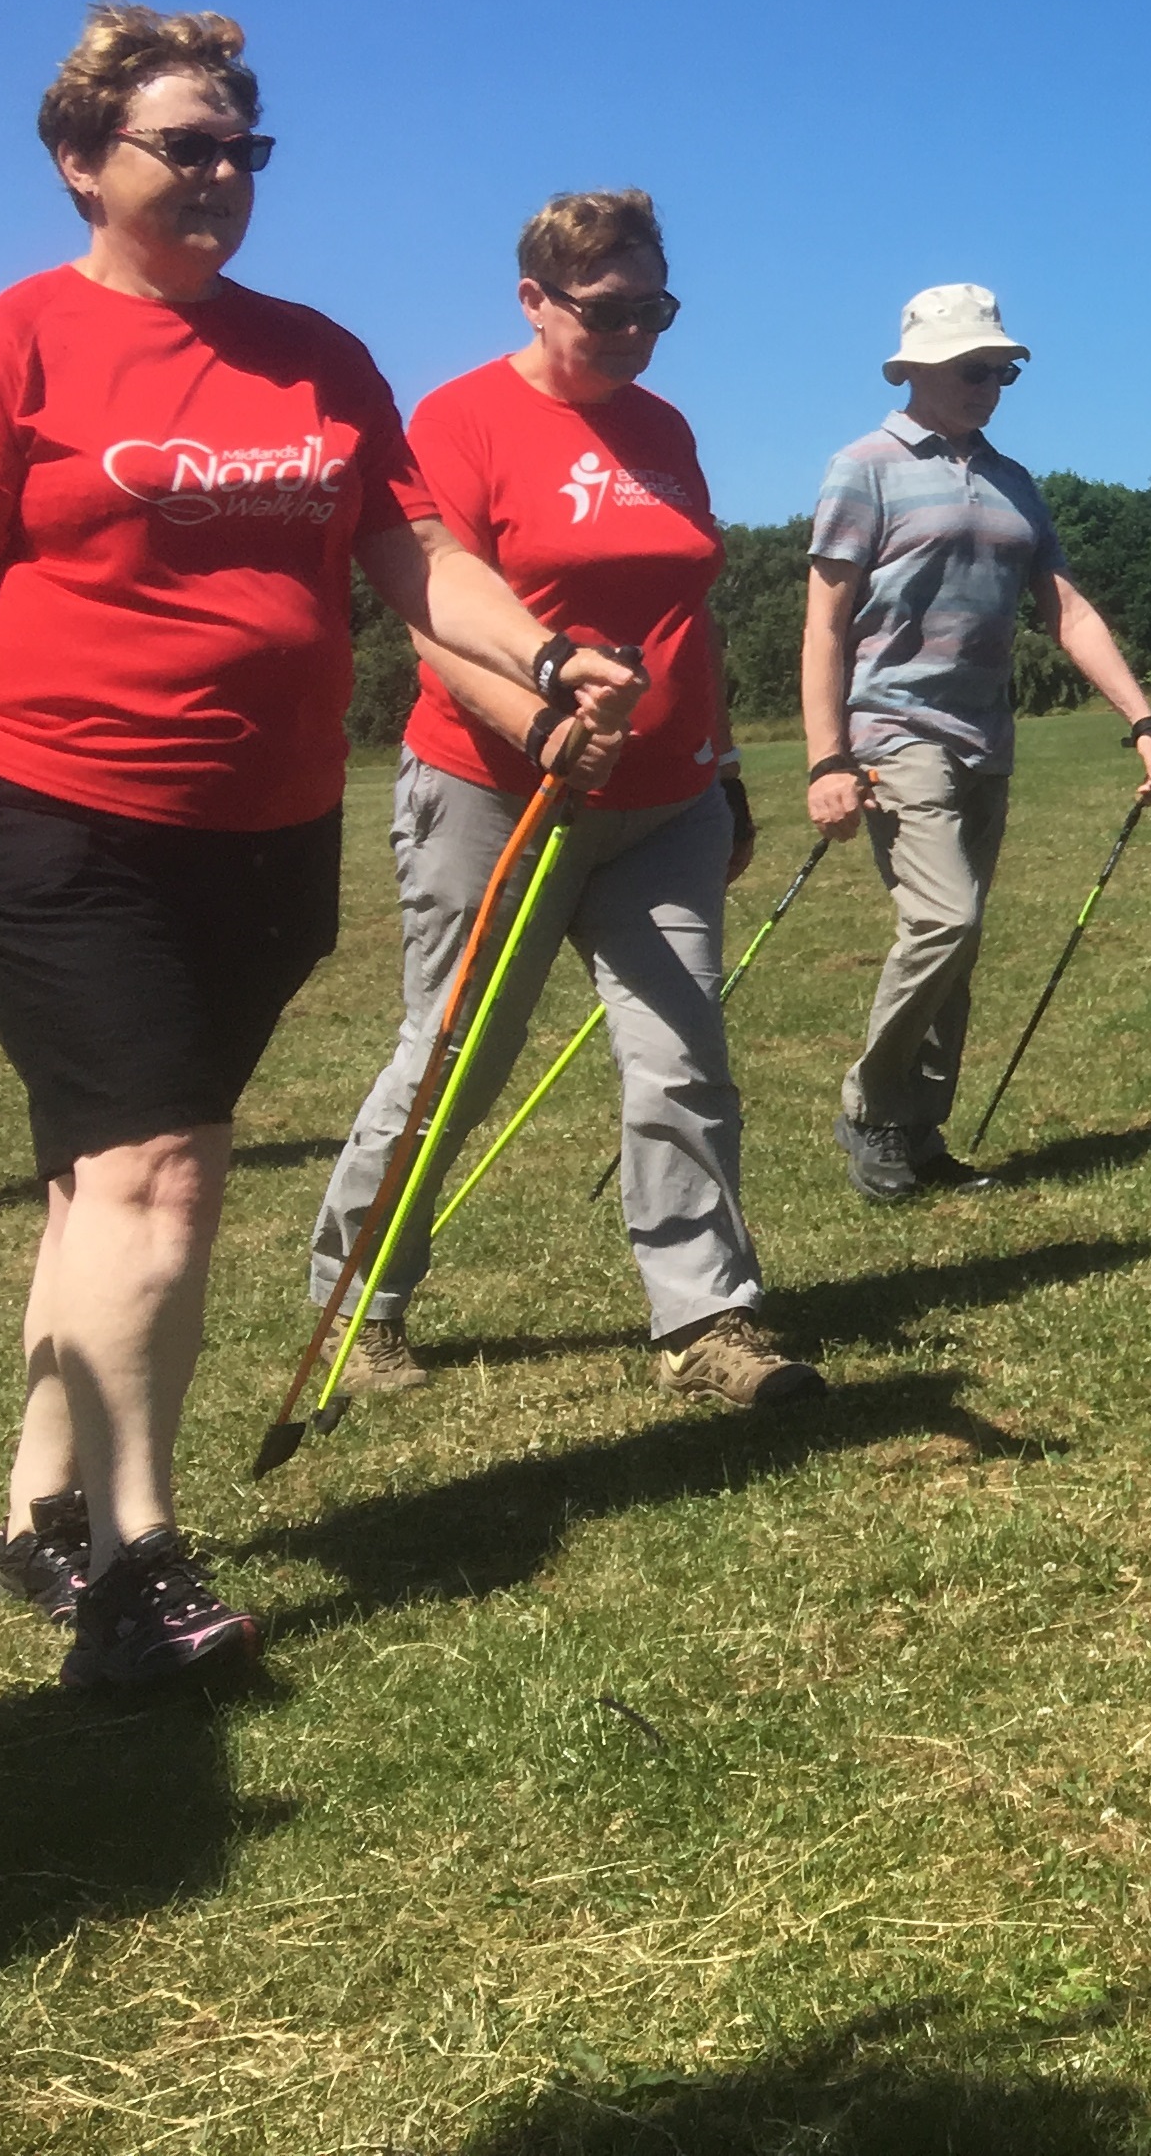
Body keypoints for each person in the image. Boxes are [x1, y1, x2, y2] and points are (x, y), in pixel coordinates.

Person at [0, 1, 638, 1691]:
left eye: (239, 150)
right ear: (80, 163)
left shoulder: (319, 357)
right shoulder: (11, 349)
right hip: (51, 814)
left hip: (266, 838)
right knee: (162, 1178)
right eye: (180, 146)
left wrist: (549, 655)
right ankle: (136, 1557)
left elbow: (419, 567)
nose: (217, 176)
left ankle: (38, 1509)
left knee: (95, 1185)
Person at [299, 190, 813, 1416]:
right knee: (455, 1056)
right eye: (608, 311)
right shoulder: (462, 418)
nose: (636, 332)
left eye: (657, 309)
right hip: (493, 790)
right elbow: (431, 612)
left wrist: (728, 771)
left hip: (666, 801)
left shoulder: (666, 426)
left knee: (681, 1061)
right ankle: (355, 1307)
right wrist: (536, 725)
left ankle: (706, 1319)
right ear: (534, 296)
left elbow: (693, 621)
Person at [801, 285, 1151, 1198]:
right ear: (919, 369)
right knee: (945, 919)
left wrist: (1143, 715)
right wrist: (827, 757)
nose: (991, 384)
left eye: (1002, 370)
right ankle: (870, 1101)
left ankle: (914, 1134)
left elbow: (1066, 610)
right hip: (895, 729)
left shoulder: (1013, 481)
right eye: (974, 369)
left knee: (959, 945)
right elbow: (824, 622)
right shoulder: (865, 465)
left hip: (985, 737)